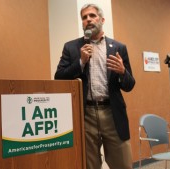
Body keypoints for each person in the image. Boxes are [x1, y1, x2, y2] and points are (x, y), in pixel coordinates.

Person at [54, 4, 135, 169]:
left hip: (112, 113)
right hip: (85, 114)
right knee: (90, 165)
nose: (88, 20)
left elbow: (129, 85)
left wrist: (122, 72)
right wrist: (80, 62)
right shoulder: (71, 47)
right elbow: (59, 77)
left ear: (102, 20)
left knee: (123, 164)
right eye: (84, 17)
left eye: (92, 16)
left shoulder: (119, 48)